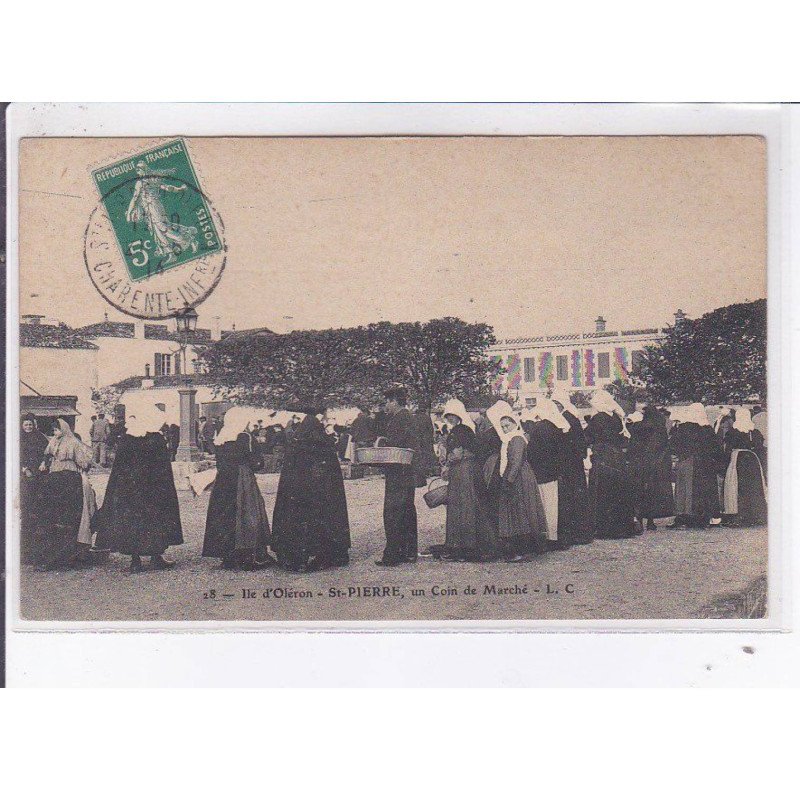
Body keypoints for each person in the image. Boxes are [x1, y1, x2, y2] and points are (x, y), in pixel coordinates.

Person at [93, 402, 183, 573]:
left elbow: (118, 467)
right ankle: (155, 557)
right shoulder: (156, 439)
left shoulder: (128, 438)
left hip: (131, 490)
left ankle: (136, 561)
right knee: (153, 522)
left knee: (133, 523)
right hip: (153, 490)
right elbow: (163, 468)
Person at [272, 410, 351, 572]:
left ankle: (298, 558)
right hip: (320, 494)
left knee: (299, 523)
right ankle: (326, 553)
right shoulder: (323, 444)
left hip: (300, 495)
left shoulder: (296, 444)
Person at [202, 408, 273, 570]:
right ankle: (249, 556)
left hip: (223, 481)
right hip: (242, 479)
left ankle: (227, 556)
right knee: (247, 513)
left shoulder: (221, 438)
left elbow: (219, 462)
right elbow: (257, 462)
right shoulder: (245, 437)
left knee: (224, 514)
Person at [486, 401, 548, 562]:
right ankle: (523, 548)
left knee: (520, 512)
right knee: (518, 512)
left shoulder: (517, 439)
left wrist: (509, 480)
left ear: (515, 423)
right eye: (503, 426)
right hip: (515, 476)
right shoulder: (510, 439)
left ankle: (524, 549)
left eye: (507, 425)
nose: (505, 429)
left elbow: (516, 461)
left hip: (519, 478)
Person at [36, 419, 95, 569]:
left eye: (57, 430)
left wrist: (80, 467)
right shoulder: (53, 442)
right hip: (55, 475)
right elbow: (47, 454)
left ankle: (72, 553)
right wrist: (45, 463)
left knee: (69, 514)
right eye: (54, 430)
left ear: (64, 429)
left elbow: (84, 462)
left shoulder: (73, 442)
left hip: (69, 477)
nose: (55, 432)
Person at [375, 387, 423, 567]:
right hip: (407, 472)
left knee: (393, 512)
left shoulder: (399, 419)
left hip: (398, 472)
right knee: (407, 511)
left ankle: (393, 554)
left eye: (387, 401)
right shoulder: (408, 417)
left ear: (395, 401)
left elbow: (396, 446)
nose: (386, 405)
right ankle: (408, 552)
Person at [586, 389, 636, 539]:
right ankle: (622, 527)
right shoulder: (615, 417)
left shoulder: (599, 418)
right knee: (618, 491)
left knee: (603, 491)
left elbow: (588, 436)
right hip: (617, 457)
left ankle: (605, 528)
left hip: (603, 456)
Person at [521, 399, 569, 550]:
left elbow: (532, 452)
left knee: (545, 505)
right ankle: (555, 538)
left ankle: (547, 538)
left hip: (541, 473)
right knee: (553, 505)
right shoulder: (555, 427)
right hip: (553, 472)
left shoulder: (538, 428)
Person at [437, 399, 481, 561]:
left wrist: (445, 461)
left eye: (452, 415)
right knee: (467, 506)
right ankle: (468, 545)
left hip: (460, 471)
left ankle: (458, 546)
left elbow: (456, 455)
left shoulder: (458, 432)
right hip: (468, 470)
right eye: (448, 415)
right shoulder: (468, 429)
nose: (450, 418)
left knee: (458, 507)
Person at [669, 403, 724, 529]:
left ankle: (686, 517)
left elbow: (674, 444)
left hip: (689, 461)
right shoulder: (707, 428)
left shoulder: (685, 427)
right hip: (706, 464)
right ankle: (706, 517)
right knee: (706, 491)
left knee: (687, 490)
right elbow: (716, 448)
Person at [550, 389, 593, 545]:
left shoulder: (565, 419)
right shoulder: (572, 417)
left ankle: (576, 534)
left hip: (569, 465)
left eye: (555, 403)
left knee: (571, 499)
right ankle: (581, 533)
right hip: (575, 464)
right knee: (577, 498)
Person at [628, 405, 675, 530]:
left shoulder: (639, 426)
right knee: (653, 492)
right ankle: (650, 521)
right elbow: (664, 446)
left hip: (640, 464)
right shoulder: (660, 428)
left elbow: (632, 445)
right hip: (655, 464)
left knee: (639, 490)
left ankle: (638, 518)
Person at [722, 408, 767, 526]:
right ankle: (756, 515)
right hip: (753, 461)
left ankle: (740, 515)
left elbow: (728, 448)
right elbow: (760, 448)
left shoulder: (733, 432)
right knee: (754, 487)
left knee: (738, 486)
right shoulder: (755, 432)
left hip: (738, 460)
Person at [20, 414, 50, 564]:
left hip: (39, 472)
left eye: (30, 425)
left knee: (39, 500)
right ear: (22, 426)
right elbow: (18, 456)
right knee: (26, 501)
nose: (28, 428)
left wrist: (44, 462)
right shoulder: (19, 439)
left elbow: (47, 452)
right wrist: (24, 469)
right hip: (26, 473)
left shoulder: (40, 437)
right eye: (26, 425)